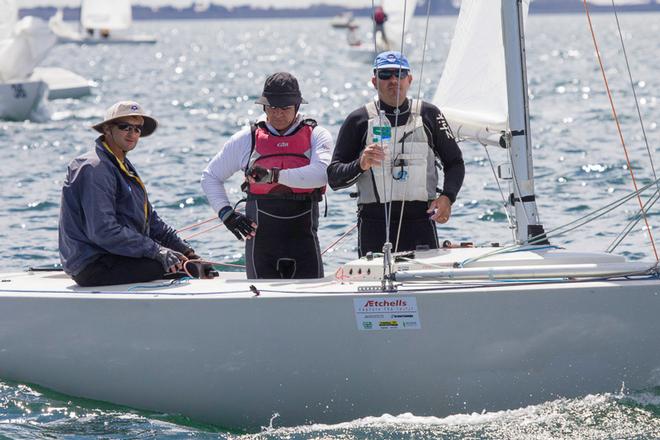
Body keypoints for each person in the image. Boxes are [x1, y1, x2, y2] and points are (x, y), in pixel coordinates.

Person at [327, 51, 465, 257]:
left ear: (409, 79)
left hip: (420, 221)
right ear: (374, 81)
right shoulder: (359, 120)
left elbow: (455, 162)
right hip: (374, 224)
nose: (393, 80)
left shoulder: (429, 115)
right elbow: (334, 177)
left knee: (424, 285)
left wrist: (447, 197)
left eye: (399, 74)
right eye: (385, 75)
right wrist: (360, 164)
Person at [201, 72, 333, 279]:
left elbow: (321, 174)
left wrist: (273, 176)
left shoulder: (317, 134)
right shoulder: (247, 138)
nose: (278, 114)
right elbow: (210, 176)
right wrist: (227, 215)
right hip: (261, 248)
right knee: (260, 308)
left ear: (297, 107)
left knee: (309, 309)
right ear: (264, 107)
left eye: (285, 108)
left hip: (304, 245)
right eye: (273, 108)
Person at [59, 101, 200, 287]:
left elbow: (153, 222)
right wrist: (157, 251)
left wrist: (186, 251)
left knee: (189, 265)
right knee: (176, 268)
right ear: (107, 129)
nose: (132, 133)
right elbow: (103, 231)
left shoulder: (121, 163)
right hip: (92, 265)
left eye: (137, 129)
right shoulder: (95, 168)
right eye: (125, 127)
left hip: (116, 255)